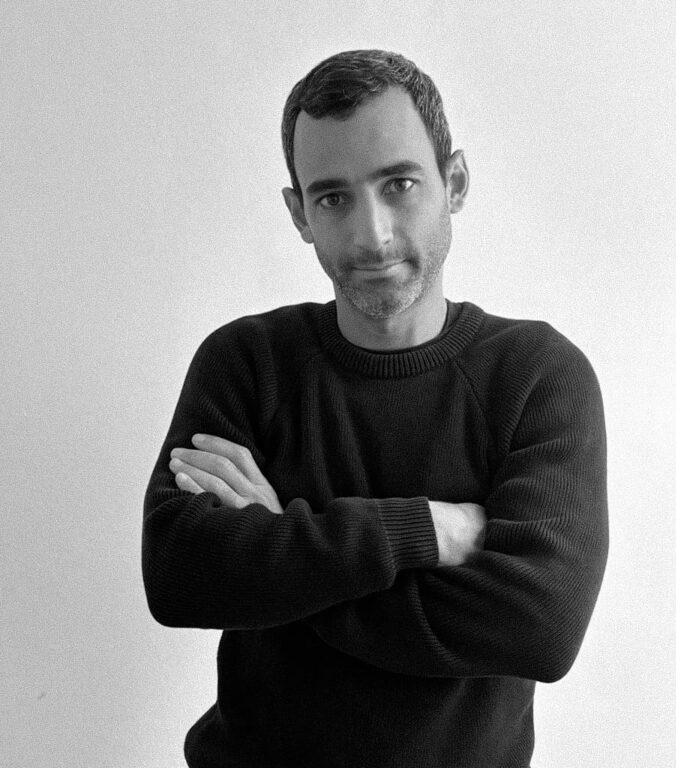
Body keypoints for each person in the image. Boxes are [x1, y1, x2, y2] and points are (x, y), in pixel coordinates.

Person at [142, 49, 608, 768]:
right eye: (333, 198)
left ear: (454, 183)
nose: (373, 235)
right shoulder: (246, 362)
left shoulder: (537, 375)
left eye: (399, 185)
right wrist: (423, 530)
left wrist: (281, 548)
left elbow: (541, 627)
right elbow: (180, 576)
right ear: (299, 214)